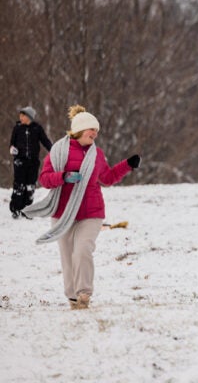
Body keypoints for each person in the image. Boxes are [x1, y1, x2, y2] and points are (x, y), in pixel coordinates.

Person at [22, 105, 141, 309]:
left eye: (96, 130)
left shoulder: (97, 154)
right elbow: (44, 179)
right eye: (91, 129)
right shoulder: (58, 151)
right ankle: (73, 298)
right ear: (79, 129)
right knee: (68, 258)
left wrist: (127, 165)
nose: (94, 133)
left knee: (82, 250)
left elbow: (107, 178)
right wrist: (64, 177)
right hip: (63, 213)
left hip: (91, 213)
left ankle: (84, 293)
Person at [9, 106, 53, 218]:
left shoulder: (37, 128)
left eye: (23, 115)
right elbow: (12, 143)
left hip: (33, 162)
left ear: (29, 117)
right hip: (20, 161)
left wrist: (53, 151)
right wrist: (12, 149)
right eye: (20, 115)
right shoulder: (17, 128)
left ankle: (28, 210)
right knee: (19, 185)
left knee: (30, 186)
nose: (20, 117)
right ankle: (16, 209)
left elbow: (45, 141)